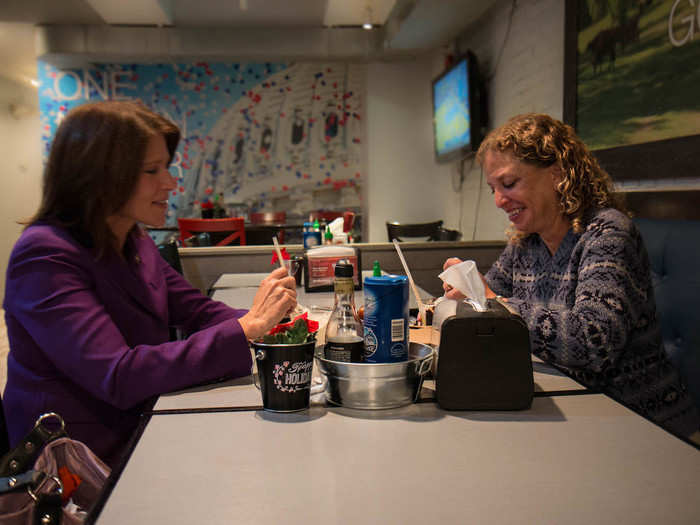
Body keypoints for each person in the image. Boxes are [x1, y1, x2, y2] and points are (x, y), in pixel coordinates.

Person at [2, 101, 297, 467]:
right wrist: (248, 328)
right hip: (77, 461)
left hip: (142, 424)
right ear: (100, 175)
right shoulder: (44, 255)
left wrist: (280, 324)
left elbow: (197, 310)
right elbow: (118, 375)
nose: (170, 182)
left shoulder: (132, 238)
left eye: (166, 167)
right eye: (151, 170)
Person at [443, 113, 698, 438]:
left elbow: (594, 343)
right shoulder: (525, 243)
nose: (498, 201)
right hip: (568, 408)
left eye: (508, 184)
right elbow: (490, 300)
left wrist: (494, 303)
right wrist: (467, 289)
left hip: (640, 421)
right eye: (493, 188)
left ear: (558, 174)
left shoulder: (607, 233)